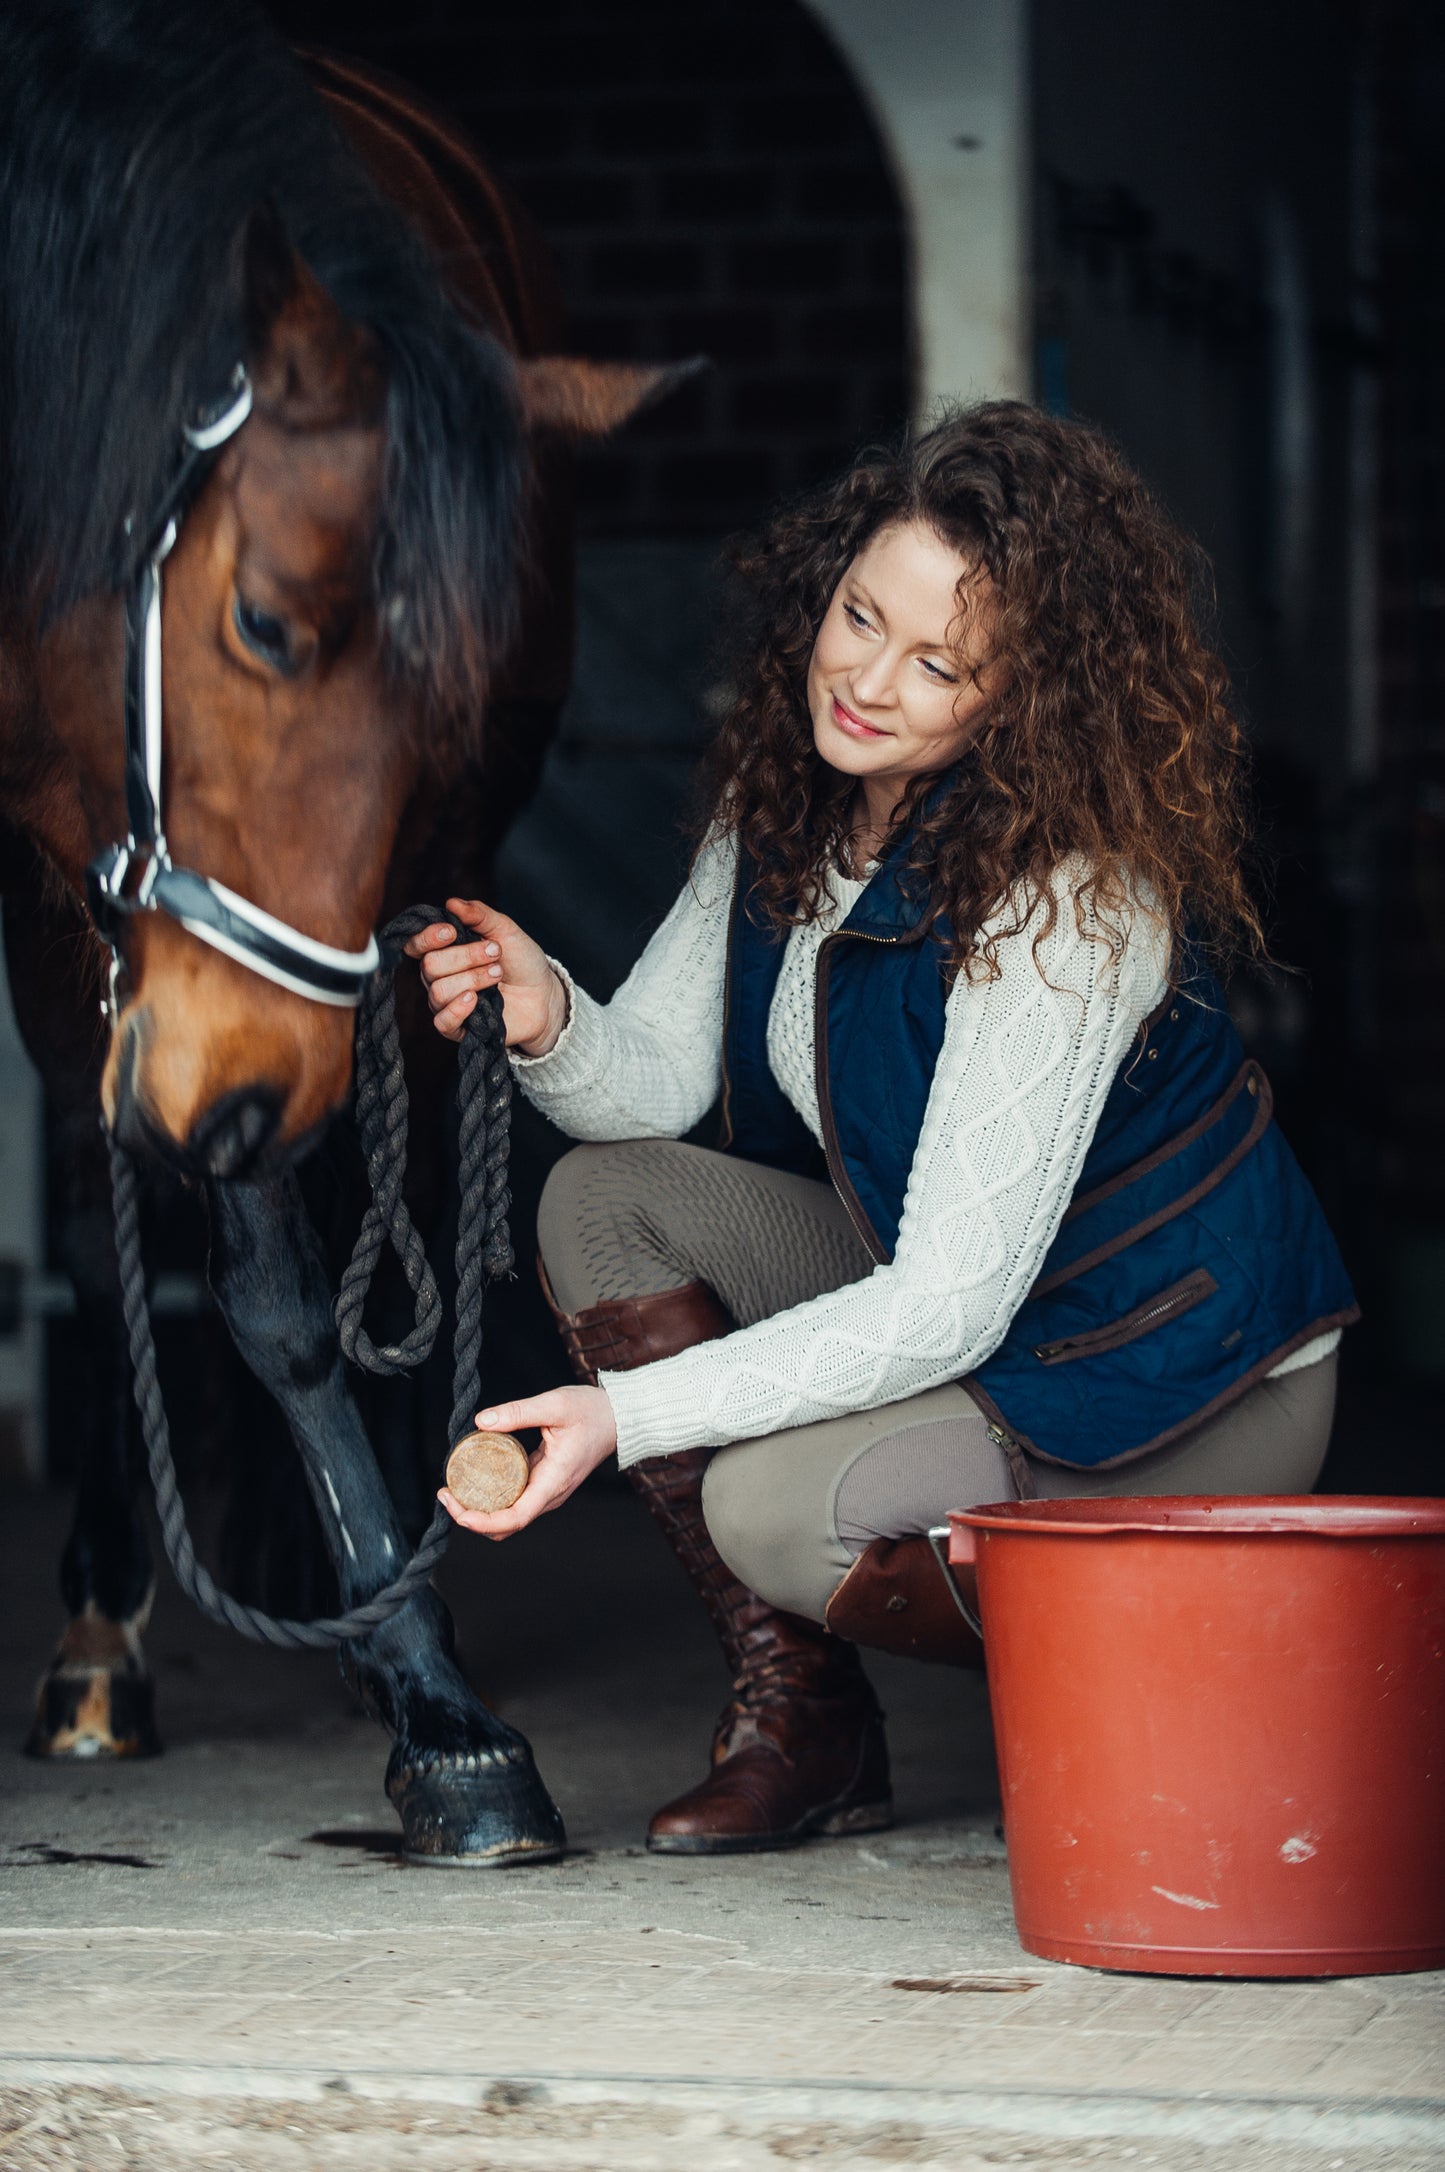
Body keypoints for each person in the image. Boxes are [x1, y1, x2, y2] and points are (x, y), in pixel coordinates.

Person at [407, 401, 1358, 1857]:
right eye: (860, 616)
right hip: (973, 1288)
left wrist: (623, 1418)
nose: (867, 681)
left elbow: (945, 1302)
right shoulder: (797, 791)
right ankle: (807, 1718)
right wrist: (547, 1013)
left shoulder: (1067, 897)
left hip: (1171, 1364)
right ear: (829, 575)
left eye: (939, 666)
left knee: (773, 1509)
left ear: (1019, 697)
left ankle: (1168, 1666)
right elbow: (655, 1080)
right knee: (602, 1198)